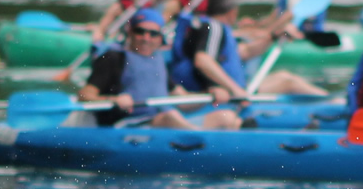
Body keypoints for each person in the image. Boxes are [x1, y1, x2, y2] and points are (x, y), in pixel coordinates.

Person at [80, 9, 242, 130]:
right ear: (130, 32)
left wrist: (211, 94)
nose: (146, 38)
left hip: (163, 123)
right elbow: (85, 95)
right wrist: (113, 100)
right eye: (140, 32)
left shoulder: (158, 61)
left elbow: (182, 100)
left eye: (153, 34)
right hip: (128, 126)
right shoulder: (113, 58)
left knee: (226, 117)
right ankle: (201, 141)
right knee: (170, 117)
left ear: (160, 37)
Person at [174, 0, 324, 102]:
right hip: (230, 95)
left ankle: (333, 101)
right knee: (288, 81)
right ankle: (335, 104)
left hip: (239, 89)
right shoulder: (214, 27)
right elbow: (203, 60)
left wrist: (273, 37)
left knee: (284, 77)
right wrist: (236, 90)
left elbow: (244, 52)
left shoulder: (213, 29)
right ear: (232, 12)